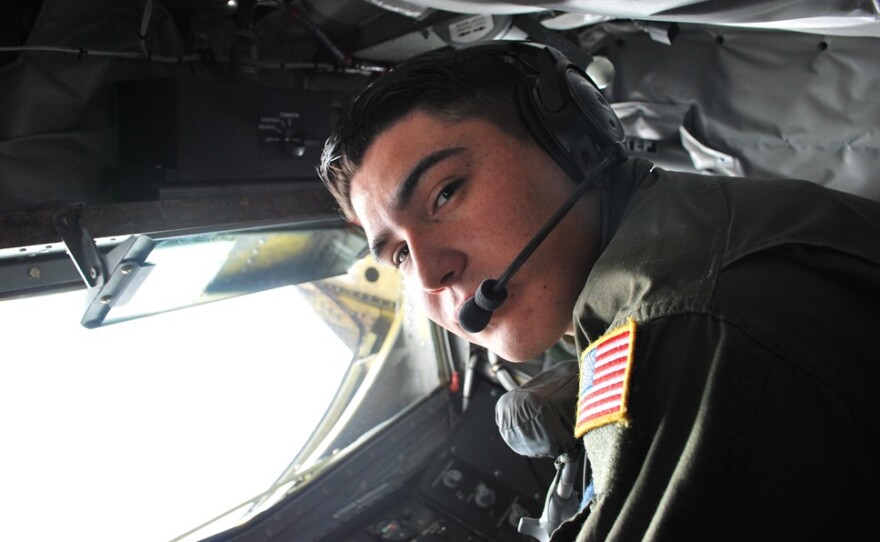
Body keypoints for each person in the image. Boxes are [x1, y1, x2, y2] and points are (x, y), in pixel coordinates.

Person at [318, 41, 880, 542]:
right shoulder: (688, 235)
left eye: (444, 194)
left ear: (573, 142)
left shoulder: (687, 321)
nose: (429, 273)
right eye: (397, 254)